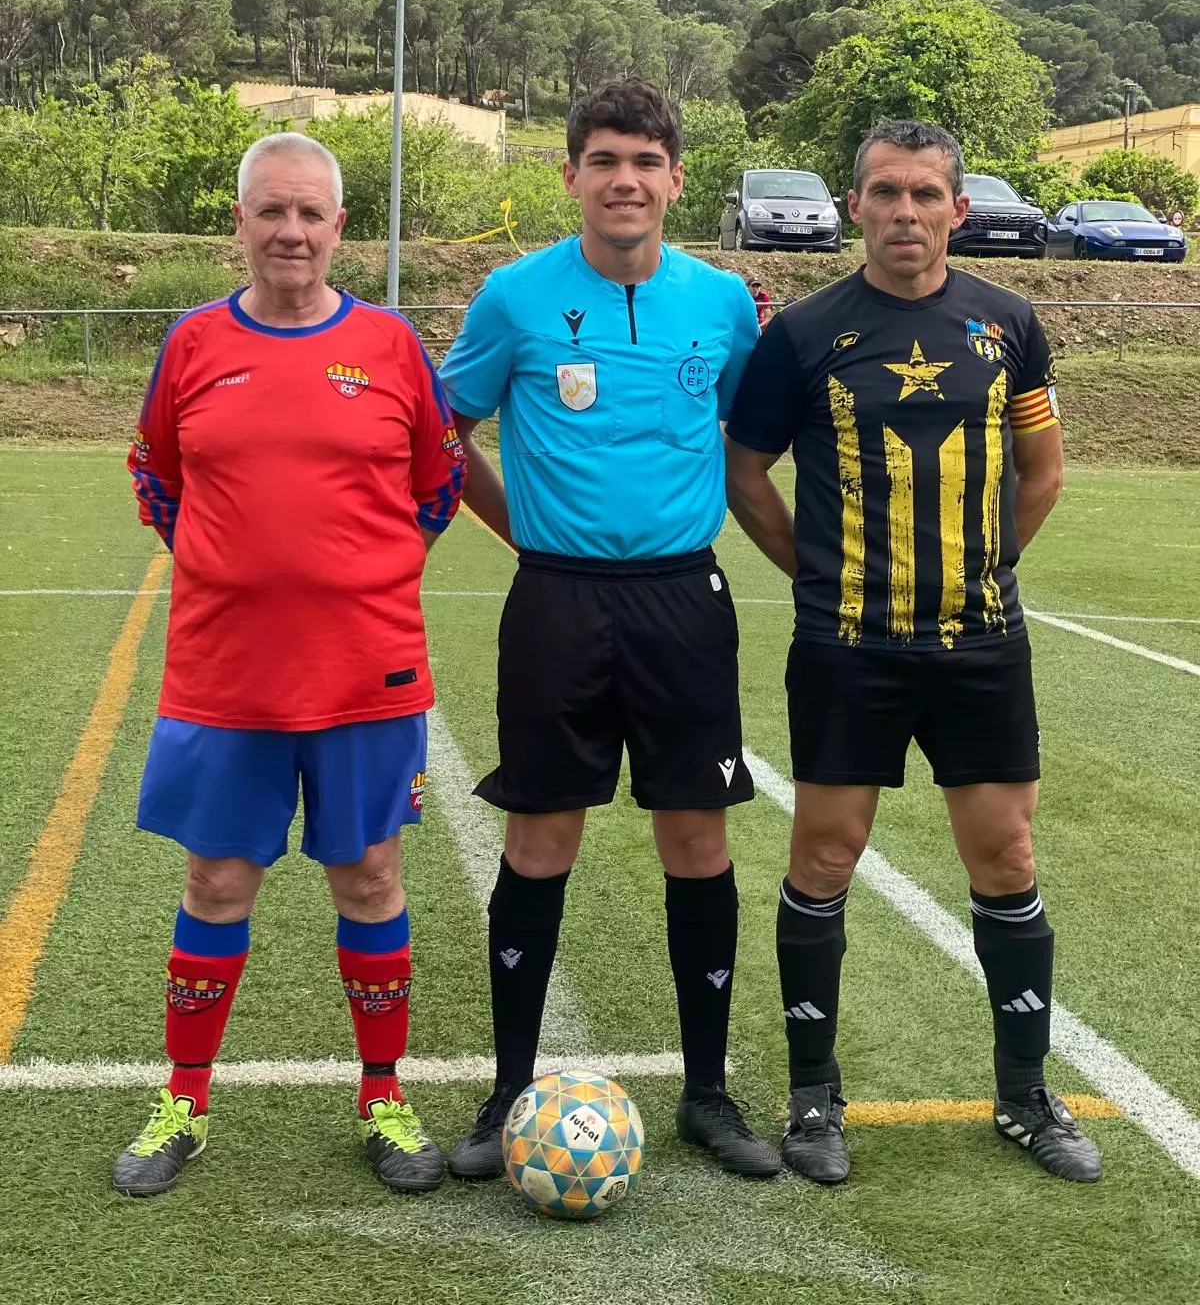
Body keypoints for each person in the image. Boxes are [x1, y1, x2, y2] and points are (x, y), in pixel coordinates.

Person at [724, 119, 1102, 1186]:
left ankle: (1025, 1094)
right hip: (848, 644)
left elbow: (1043, 469)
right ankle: (812, 1099)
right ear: (854, 207)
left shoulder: (1009, 323)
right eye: (884, 192)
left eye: (925, 194)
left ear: (958, 210)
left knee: (1008, 860)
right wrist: (811, 572)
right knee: (826, 858)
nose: (904, 212)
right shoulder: (801, 334)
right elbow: (744, 472)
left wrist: (985, 567)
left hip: (982, 643)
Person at [436, 78, 779, 1180]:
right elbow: (446, 430)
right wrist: (521, 528)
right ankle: (505, 1095)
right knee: (541, 840)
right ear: (571, 173)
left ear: (676, 178)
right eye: (604, 160)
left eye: (646, 160)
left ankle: (710, 1095)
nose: (624, 179)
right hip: (557, 601)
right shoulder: (513, 296)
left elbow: (747, 434)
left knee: (698, 839)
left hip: (685, 599)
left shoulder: (725, 302)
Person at [115, 132, 465, 1198]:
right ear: (240, 222)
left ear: (339, 227)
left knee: (369, 876)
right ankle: (185, 1097)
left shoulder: (393, 348)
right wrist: (238, 572)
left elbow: (437, 482)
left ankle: (382, 1096)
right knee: (217, 880)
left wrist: (362, 571)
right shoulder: (190, 345)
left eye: (310, 213)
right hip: (227, 676)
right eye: (271, 211)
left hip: (367, 673)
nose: (291, 232)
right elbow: (156, 475)